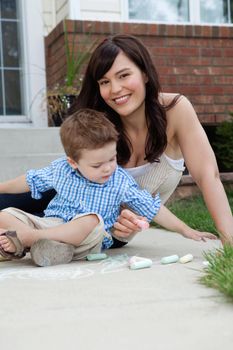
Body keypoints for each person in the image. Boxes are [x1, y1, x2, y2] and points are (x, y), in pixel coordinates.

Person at [67, 34, 233, 247]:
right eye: (105, 82)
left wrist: (229, 242)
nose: (115, 89)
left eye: (124, 75)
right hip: (68, 213)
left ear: (145, 73)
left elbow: (208, 175)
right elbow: (74, 182)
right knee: (14, 211)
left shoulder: (175, 110)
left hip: (107, 237)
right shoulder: (97, 125)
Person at [0, 109, 216, 266]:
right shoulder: (61, 170)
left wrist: (186, 230)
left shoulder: (119, 181)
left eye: (112, 159)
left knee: (92, 220)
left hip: (87, 236)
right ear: (73, 162)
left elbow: (152, 208)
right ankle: (38, 245)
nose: (108, 168)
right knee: (6, 214)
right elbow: (29, 181)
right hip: (50, 225)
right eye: (97, 165)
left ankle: (24, 239)